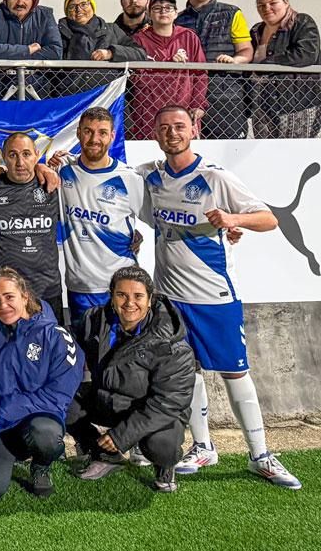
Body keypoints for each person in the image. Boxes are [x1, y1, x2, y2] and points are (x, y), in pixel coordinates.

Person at [138, 105, 300, 489]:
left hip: (214, 296)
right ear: (156, 134)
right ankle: (203, 446)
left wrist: (234, 220)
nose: (171, 133)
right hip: (170, 299)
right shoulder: (150, 176)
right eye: (164, 128)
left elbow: (268, 218)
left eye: (179, 126)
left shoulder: (215, 176)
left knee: (234, 371)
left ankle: (260, 454)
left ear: (193, 129)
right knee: (187, 371)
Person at [69, 267, 196, 493]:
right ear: (112, 296)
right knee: (61, 402)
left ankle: (165, 465)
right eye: (121, 295)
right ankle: (106, 455)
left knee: (160, 445)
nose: (129, 303)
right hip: (109, 399)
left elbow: (168, 403)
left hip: (153, 410)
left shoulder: (172, 343)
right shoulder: (94, 320)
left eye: (138, 296)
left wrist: (121, 435)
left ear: (150, 300)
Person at [0, 268, 82, 500]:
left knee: (46, 437)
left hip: (35, 418)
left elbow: (57, 396)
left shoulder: (55, 336)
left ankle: (41, 464)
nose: (3, 305)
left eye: (9, 297)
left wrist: (8, 407)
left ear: (25, 296)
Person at [53, 108, 147, 324]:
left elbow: (157, 218)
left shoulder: (129, 178)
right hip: (81, 286)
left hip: (122, 285)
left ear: (112, 136)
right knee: (88, 352)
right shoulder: (63, 170)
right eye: (88, 131)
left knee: (125, 352)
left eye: (102, 133)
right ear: (78, 133)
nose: (95, 139)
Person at [0, 133, 64, 322]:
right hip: (2, 296)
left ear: (37, 155)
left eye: (26, 154)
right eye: (13, 155)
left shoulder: (53, 186)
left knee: (51, 350)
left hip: (46, 291)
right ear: (4, 158)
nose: (20, 162)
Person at [176, 0, 253, 140]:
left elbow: (246, 50)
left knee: (230, 152)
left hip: (226, 96)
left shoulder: (232, 13)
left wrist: (235, 61)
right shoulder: (178, 19)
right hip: (189, 96)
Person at [130, 0, 208, 140]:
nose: (163, 11)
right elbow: (137, 79)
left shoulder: (189, 37)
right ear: (149, 14)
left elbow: (201, 74)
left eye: (168, 8)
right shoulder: (138, 40)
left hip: (183, 109)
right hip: (149, 113)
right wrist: (168, 64)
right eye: (157, 8)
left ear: (176, 13)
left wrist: (198, 105)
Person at [249, 0, 321, 139]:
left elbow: (306, 54)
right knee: (267, 154)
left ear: (286, 2)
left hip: (297, 104)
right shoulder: (256, 31)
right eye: (261, 5)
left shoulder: (301, 22)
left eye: (273, 3)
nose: (267, 8)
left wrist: (267, 64)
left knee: (296, 154)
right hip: (262, 105)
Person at [55, 0, 146, 96]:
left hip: (108, 97)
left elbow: (140, 53)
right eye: (72, 6)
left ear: (92, 7)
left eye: (84, 4)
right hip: (70, 99)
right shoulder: (58, 33)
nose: (78, 9)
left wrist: (111, 53)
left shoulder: (112, 30)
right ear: (67, 12)